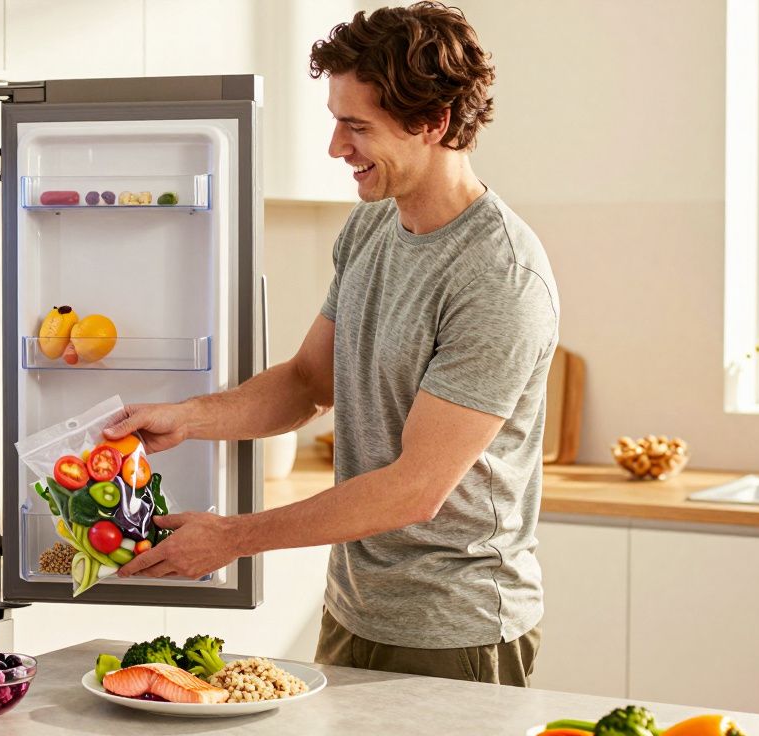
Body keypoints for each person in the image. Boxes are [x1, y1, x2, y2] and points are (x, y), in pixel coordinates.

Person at [107, 2, 559, 686]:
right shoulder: (370, 228)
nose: (336, 147)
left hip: (454, 629)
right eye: (335, 121)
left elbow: (415, 490)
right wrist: (189, 418)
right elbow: (306, 384)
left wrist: (231, 538)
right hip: (353, 609)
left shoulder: (499, 277)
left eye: (357, 126)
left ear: (433, 122)